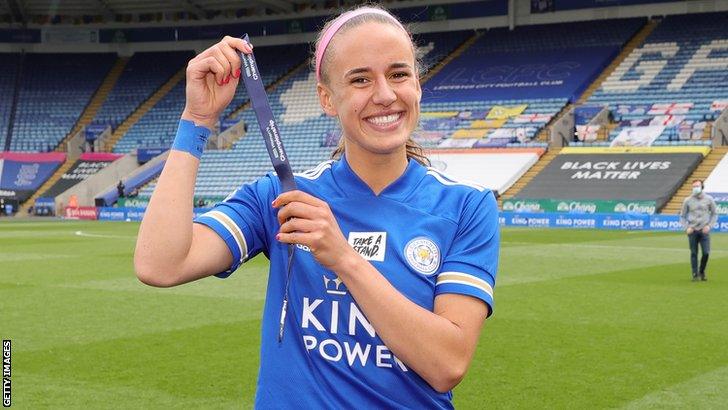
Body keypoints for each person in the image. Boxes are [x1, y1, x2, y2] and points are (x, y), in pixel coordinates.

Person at [134, 5, 499, 408]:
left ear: (418, 84)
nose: (384, 95)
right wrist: (196, 119)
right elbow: (159, 264)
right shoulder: (282, 197)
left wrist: (344, 257)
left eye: (399, 74)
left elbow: (446, 363)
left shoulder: (466, 206)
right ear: (327, 98)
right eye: (360, 79)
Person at [680, 179, 717, 281]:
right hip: (693, 231)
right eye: (694, 186)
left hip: (704, 231)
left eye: (697, 186)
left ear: (702, 187)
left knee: (706, 253)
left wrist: (709, 226)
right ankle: (695, 274)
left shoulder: (709, 199)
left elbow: (714, 214)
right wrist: (686, 227)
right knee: (693, 253)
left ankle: (701, 271)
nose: (695, 188)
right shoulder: (687, 200)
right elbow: (682, 216)